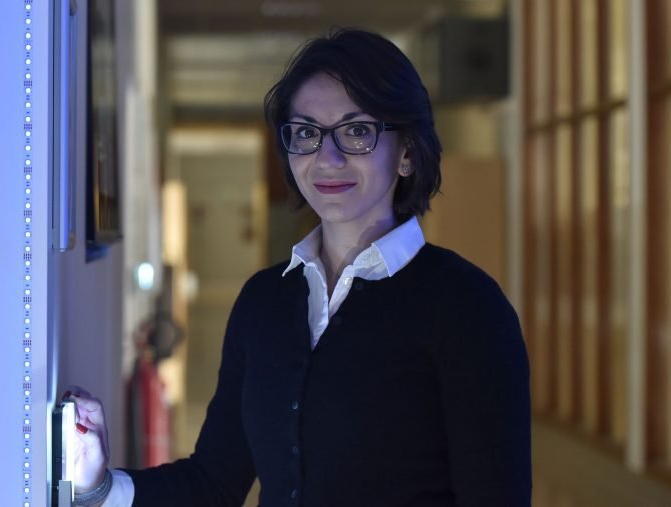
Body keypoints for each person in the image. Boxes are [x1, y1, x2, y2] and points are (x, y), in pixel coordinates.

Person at [65, 28, 531, 507]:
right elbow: (213, 483)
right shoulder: (263, 301)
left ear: (408, 152)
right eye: (306, 133)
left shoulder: (467, 307)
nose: (327, 158)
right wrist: (97, 485)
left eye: (356, 131)